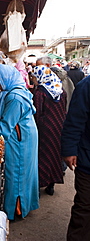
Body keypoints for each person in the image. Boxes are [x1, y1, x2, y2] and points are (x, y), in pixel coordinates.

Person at [0, 64, 39, 220]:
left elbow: (6, 125)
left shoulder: (14, 97)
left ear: (5, 79)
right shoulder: (12, 92)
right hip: (20, 133)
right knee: (18, 171)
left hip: (20, 138)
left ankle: (16, 209)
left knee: (16, 172)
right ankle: (18, 205)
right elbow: (7, 116)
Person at [61, 76, 90, 240]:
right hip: (87, 161)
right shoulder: (86, 86)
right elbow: (74, 121)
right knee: (85, 207)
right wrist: (69, 150)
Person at [31, 65, 67, 195]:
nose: (32, 79)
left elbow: (37, 113)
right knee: (54, 155)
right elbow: (64, 110)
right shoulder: (61, 91)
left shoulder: (40, 93)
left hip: (44, 129)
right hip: (58, 127)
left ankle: (40, 184)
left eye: (34, 77)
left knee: (42, 156)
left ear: (40, 77)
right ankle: (51, 184)